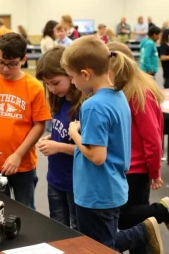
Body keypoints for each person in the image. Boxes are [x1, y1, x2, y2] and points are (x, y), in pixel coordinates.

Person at [61, 36, 163, 253]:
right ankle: (142, 231)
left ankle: (142, 232)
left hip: (95, 193)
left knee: (98, 247)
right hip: (112, 188)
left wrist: (74, 134)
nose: (72, 83)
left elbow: (97, 156)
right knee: (101, 241)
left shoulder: (93, 106)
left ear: (85, 74)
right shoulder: (118, 97)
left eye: (72, 77)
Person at [0, 32, 51, 210]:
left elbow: (39, 125)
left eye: (12, 64)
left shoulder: (33, 87)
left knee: (26, 210)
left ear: (23, 59)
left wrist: (18, 155)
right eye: (0, 62)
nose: (5, 69)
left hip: (23, 164)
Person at [108, 41, 169, 254]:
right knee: (136, 224)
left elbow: (152, 137)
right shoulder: (125, 90)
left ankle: (163, 210)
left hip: (136, 168)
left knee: (125, 217)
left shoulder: (138, 92)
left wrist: (154, 172)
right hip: (127, 167)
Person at [36, 46, 83, 230]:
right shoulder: (59, 100)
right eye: (47, 84)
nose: (51, 89)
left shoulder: (84, 106)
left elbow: (91, 150)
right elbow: (64, 133)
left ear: (70, 74)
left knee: (77, 232)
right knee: (57, 229)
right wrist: (52, 137)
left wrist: (58, 147)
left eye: (55, 82)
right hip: (55, 179)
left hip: (75, 183)